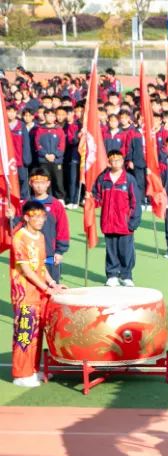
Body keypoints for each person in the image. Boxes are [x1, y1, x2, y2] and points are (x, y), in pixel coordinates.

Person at [9, 201, 65, 388]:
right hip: (25, 293)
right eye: (36, 216)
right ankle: (21, 374)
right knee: (25, 332)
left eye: (42, 216)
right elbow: (26, 269)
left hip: (39, 292)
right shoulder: (19, 238)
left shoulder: (40, 236)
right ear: (26, 217)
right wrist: (46, 287)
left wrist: (52, 283)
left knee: (37, 332)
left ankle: (33, 369)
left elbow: (41, 266)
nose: (41, 220)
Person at [92, 149, 141, 286]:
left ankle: (126, 275)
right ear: (108, 161)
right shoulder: (103, 179)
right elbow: (97, 197)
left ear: (123, 161)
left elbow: (135, 202)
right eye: (113, 160)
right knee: (111, 250)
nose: (115, 163)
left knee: (126, 251)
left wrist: (133, 222)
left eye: (118, 160)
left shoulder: (129, 179)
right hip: (108, 222)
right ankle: (112, 274)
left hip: (124, 223)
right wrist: (89, 200)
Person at [26, 166, 70, 282]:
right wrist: (10, 217)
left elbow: (62, 229)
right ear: (30, 183)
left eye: (42, 182)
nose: (39, 186)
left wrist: (60, 251)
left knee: (52, 285)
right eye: (36, 182)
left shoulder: (56, 205)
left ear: (48, 183)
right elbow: (18, 227)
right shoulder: (26, 204)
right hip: (31, 254)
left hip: (50, 254)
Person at [32, 107, 66, 202]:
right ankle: (47, 197)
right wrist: (45, 155)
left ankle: (60, 198)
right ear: (45, 116)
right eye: (48, 115)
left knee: (58, 180)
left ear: (54, 117)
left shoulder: (59, 130)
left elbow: (62, 145)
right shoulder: (40, 130)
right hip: (43, 160)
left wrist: (55, 155)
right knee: (46, 180)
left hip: (56, 160)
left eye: (52, 115)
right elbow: (37, 145)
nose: (50, 117)